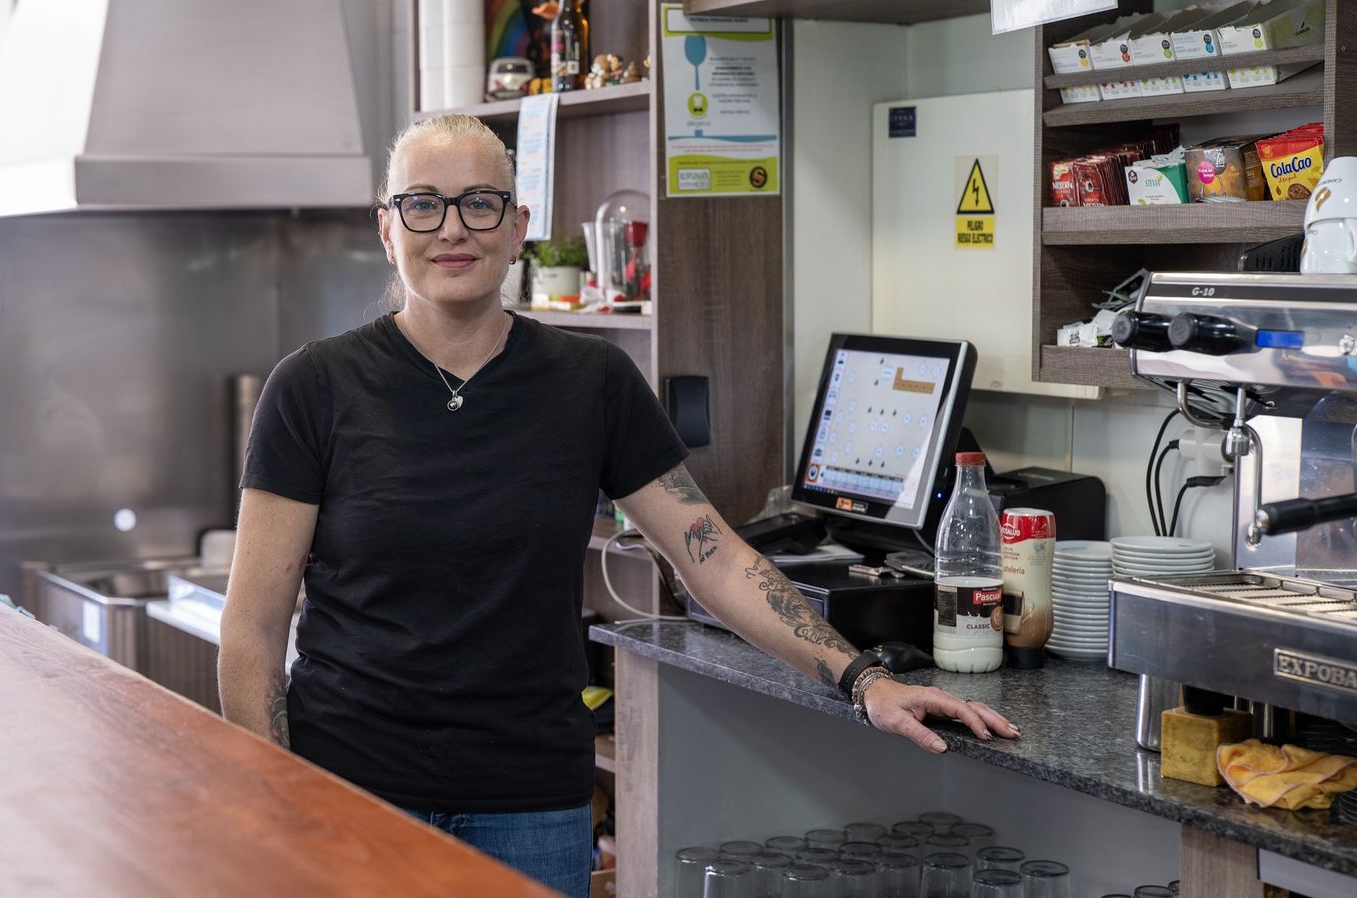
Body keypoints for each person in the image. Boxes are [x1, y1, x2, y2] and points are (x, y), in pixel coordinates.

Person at [218, 114, 1018, 898]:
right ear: (387, 229)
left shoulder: (590, 382)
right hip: (352, 788)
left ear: (519, 227)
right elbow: (253, 623)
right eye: (423, 204)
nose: (452, 228)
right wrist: (273, 797)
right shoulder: (314, 388)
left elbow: (713, 557)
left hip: (529, 802)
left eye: (481, 203)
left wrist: (864, 680)